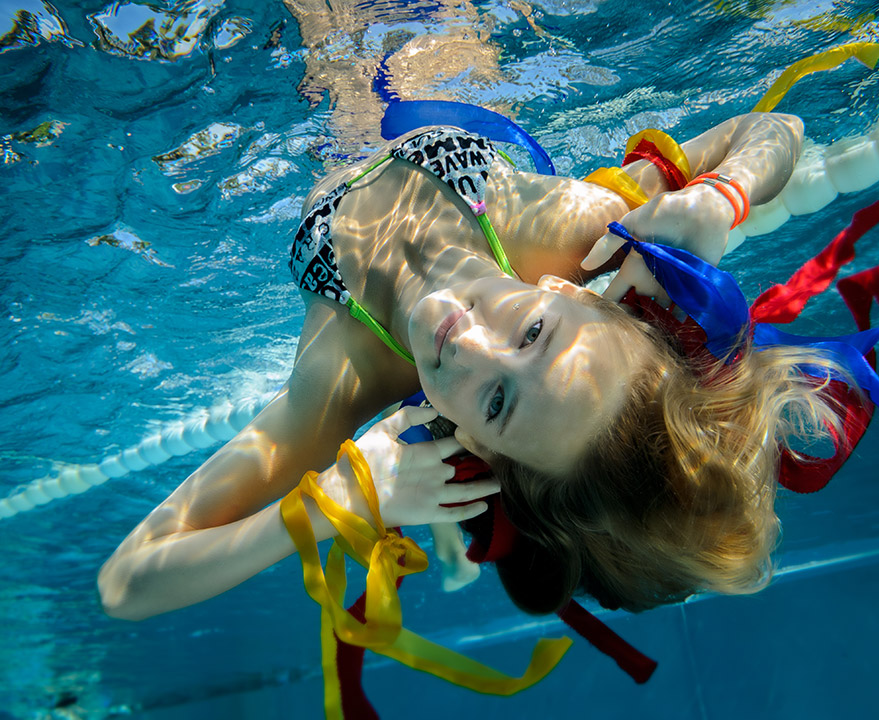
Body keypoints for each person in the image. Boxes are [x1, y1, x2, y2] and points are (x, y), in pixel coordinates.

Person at [98, 109, 830, 622]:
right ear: (569, 288)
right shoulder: (572, 227)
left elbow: (126, 583)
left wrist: (339, 505)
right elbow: (777, 130)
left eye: (498, 404)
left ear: (479, 449)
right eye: (536, 332)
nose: (471, 343)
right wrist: (716, 197)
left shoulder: (343, 378)